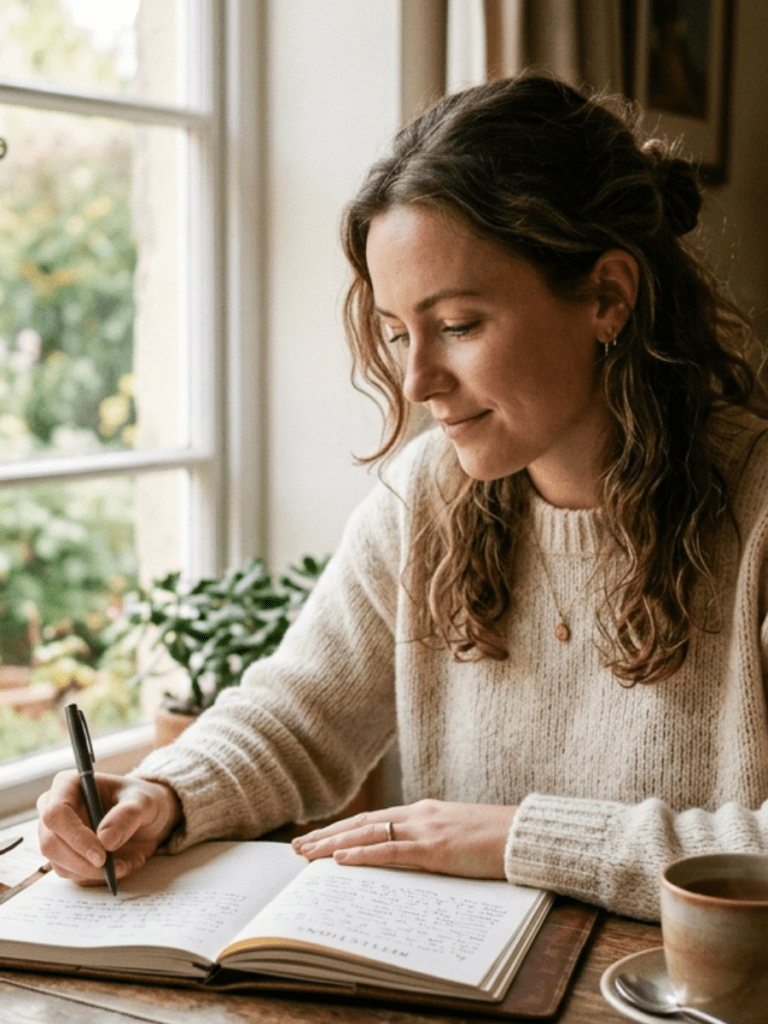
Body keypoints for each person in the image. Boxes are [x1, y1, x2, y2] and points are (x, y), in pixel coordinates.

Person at [38, 74, 768, 922]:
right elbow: (300, 712)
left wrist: (516, 839)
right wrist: (162, 793)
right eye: (395, 332)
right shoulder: (429, 494)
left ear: (607, 295)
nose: (419, 381)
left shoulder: (757, 512)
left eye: (458, 325)